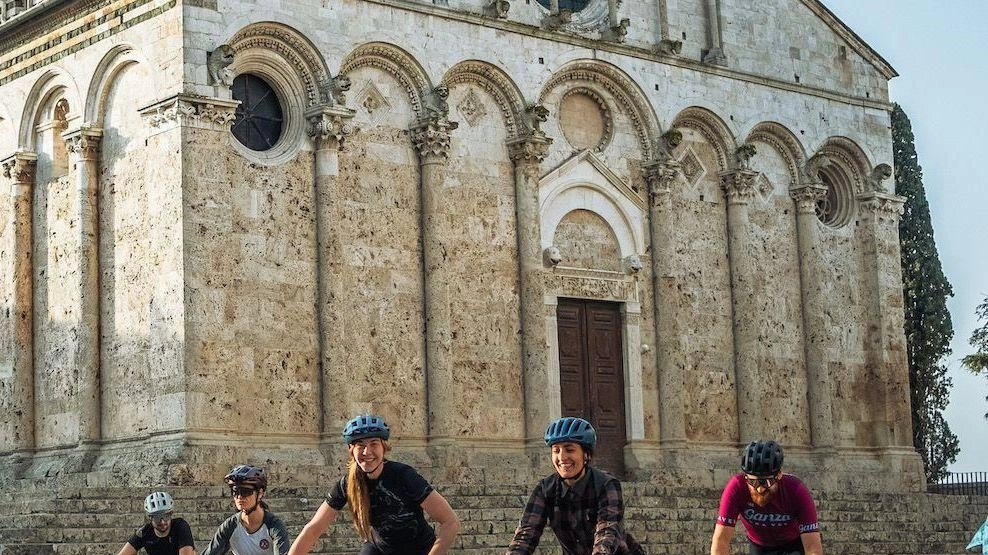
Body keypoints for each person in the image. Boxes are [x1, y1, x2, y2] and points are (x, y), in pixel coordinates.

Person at [287, 414, 460, 555]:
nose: (366, 452)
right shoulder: (347, 483)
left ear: (384, 447)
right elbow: (313, 529)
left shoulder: (404, 476)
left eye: (374, 444)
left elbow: (450, 521)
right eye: (360, 445)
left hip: (420, 549)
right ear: (351, 451)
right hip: (380, 549)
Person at [506, 416, 645, 555]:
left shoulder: (606, 484)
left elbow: (607, 532)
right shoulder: (545, 489)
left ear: (587, 455)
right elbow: (526, 534)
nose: (562, 457)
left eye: (569, 450)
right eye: (556, 450)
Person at [711, 440, 823, 555]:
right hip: (760, 546)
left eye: (766, 482)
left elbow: (813, 548)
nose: (760, 489)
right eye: (753, 482)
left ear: (779, 475)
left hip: (792, 545)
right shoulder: (737, 487)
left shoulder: (796, 490)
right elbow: (721, 541)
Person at [200, 464, 291, 555]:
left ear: (260, 493)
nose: (239, 497)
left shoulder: (275, 526)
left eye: (246, 492)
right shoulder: (229, 526)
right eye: (235, 492)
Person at [117, 491, 196, 555]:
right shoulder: (145, 532)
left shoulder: (180, 526)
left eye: (166, 516)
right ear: (150, 518)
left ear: (171, 514)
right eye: (157, 517)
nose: (162, 522)